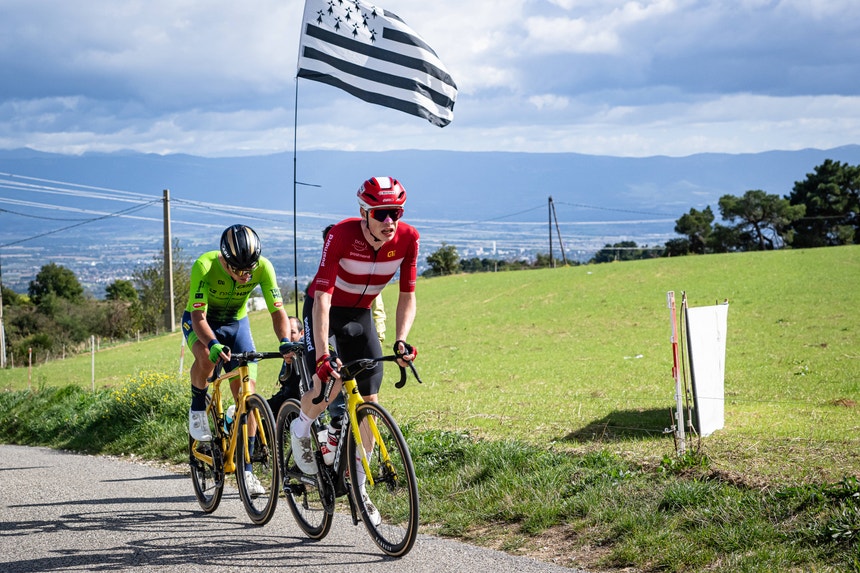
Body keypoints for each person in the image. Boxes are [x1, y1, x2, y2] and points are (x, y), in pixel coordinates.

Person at [289, 176, 419, 523]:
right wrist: (320, 354)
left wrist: (401, 339)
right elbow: (323, 297)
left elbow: (408, 294)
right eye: (381, 214)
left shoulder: (408, 239)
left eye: (396, 212)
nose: (390, 221)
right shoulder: (342, 235)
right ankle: (301, 429)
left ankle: (359, 488)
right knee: (326, 387)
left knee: (369, 402)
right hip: (324, 311)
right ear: (364, 212)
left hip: (360, 317)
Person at [183, 224, 294, 495]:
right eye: (239, 270)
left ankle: (247, 471)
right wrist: (211, 344)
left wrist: (285, 342)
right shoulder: (205, 266)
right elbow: (198, 317)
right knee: (207, 361)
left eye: (250, 270)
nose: (246, 276)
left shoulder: (264, 267)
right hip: (203, 323)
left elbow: (277, 311)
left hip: (236, 324)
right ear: (225, 260)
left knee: (248, 396)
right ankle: (198, 406)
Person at [268, 315, 303, 416]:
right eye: (286, 333)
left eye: (292, 332)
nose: (288, 337)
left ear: (302, 333)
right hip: (288, 402)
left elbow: (284, 380)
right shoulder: (288, 349)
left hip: (293, 405)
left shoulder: (300, 348)